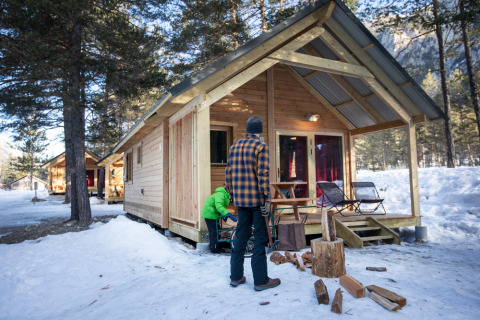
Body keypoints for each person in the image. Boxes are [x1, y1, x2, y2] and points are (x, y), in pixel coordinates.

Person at [225, 115, 281, 291]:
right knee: (260, 239)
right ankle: (261, 280)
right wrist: (266, 198)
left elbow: (228, 175)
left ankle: (236, 277)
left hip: (241, 202)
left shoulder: (234, 147)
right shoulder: (260, 147)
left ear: (247, 129)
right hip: (258, 202)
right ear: (260, 131)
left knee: (241, 237)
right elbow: (263, 175)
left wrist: (232, 195)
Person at [201, 186, 237, 253]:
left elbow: (220, 207)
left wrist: (223, 215)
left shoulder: (224, 194)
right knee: (214, 232)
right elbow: (219, 206)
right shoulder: (220, 194)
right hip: (210, 214)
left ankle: (217, 247)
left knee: (217, 230)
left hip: (213, 214)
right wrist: (227, 214)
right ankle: (214, 249)